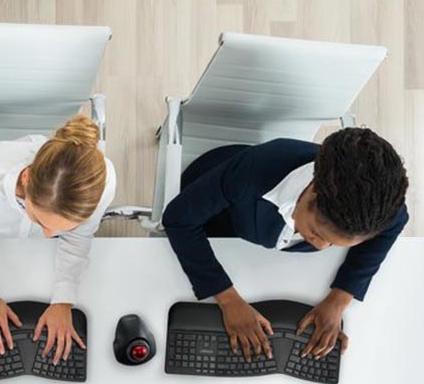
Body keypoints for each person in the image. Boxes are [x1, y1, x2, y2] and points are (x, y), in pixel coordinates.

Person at [162, 129, 409, 361]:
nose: (321, 248)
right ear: (311, 194)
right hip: (220, 219)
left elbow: (395, 224)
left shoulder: (381, 210)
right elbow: (178, 219)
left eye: (334, 244)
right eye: (316, 233)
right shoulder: (252, 173)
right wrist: (228, 300)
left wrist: (340, 298)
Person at [0, 116, 116, 362]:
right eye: (41, 222)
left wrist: (64, 300)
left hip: (24, 252)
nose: (50, 235)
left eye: (62, 228)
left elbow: (78, 238)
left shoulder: (98, 184)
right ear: (26, 178)